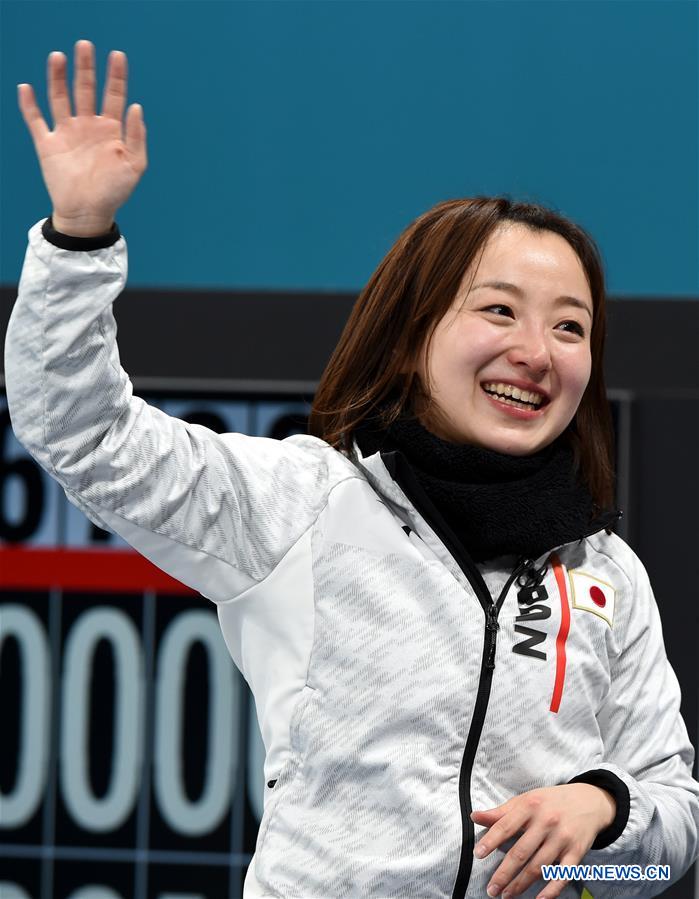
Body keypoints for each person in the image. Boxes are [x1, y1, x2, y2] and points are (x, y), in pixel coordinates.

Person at [7, 39, 699, 899]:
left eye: (569, 327)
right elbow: (82, 433)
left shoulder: (605, 575)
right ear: (412, 337)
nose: (535, 353)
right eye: (497, 311)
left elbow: (663, 856)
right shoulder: (303, 505)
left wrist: (597, 812)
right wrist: (78, 240)